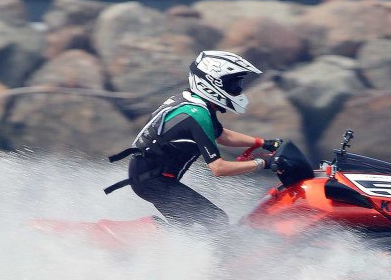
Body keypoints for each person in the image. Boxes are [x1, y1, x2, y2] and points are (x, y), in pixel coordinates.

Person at [104, 50, 282, 228]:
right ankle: (197, 252)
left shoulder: (194, 102)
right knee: (215, 220)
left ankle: (169, 245)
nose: (238, 90)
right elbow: (218, 168)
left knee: (189, 226)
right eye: (233, 85)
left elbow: (221, 135)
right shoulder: (197, 115)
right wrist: (264, 163)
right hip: (152, 181)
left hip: (149, 177)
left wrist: (263, 143)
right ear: (212, 83)